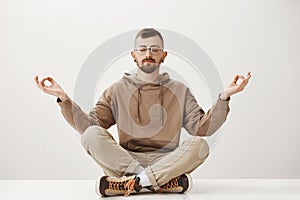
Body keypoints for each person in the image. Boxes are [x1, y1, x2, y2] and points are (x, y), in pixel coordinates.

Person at [34, 28, 251, 197]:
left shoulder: (179, 90)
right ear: (134, 55)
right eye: (143, 49)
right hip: (126, 160)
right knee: (90, 135)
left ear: (163, 55)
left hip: (167, 161)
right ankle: (158, 183)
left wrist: (224, 98)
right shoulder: (117, 89)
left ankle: (132, 184)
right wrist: (63, 98)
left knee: (199, 145)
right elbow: (91, 125)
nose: (148, 54)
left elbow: (202, 128)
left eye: (155, 49)